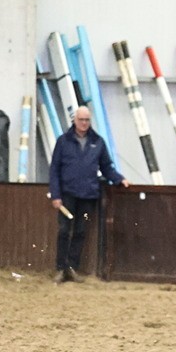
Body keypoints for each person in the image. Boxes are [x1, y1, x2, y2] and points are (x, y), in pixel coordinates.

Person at [49, 106, 129, 283]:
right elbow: (54, 169)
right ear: (74, 120)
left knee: (81, 230)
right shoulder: (63, 141)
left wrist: (119, 179)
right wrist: (55, 195)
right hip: (67, 196)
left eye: (87, 120)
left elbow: (106, 166)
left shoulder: (98, 142)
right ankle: (61, 268)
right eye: (81, 120)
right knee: (64, 230)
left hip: (88, 197)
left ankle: (72, 268)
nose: (84, 123)